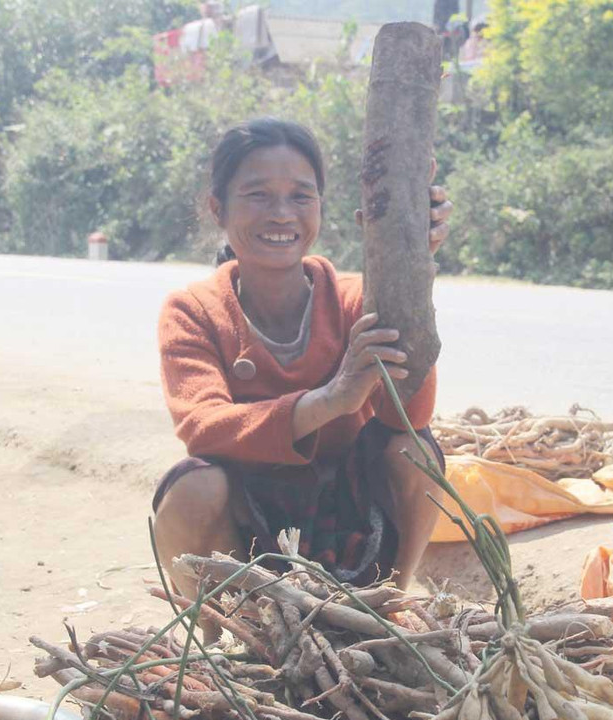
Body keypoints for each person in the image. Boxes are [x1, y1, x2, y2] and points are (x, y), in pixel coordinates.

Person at [152, 118, 453, 638]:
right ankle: (225, 633)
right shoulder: (193, 311)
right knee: (193, 486)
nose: (282, 214)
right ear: (218, 209)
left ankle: (389, 606)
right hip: (247, 522)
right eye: (258, 195)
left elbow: (412, 415)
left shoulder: (358, 298)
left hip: (352, 512)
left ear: (321, 206)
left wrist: (412, 269)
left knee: (416, 450)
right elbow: (203, 425)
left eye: (300, 196)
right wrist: (329, 400)